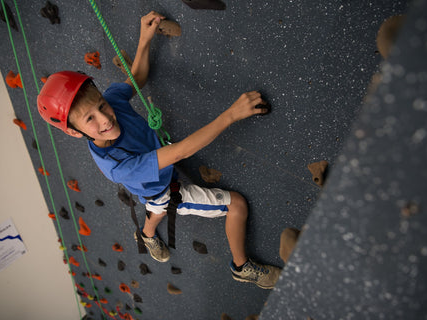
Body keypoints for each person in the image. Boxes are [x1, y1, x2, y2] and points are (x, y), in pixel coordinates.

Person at [37, 11, 280, 289]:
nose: (105, 118)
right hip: (160, 187)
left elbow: (137, 78)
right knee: (233, 204)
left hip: (156, 175)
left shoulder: (112, 103)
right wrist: (231, 115)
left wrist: (144, 41)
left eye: (101, 106)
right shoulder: (116, 166)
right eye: (90, 119)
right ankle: (241, 267)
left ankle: (147, 234)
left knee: (155, 209)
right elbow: (180, 152)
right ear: (73, 131)